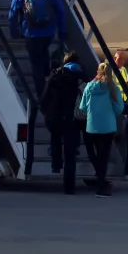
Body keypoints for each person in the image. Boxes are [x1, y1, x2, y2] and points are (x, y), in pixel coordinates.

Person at [9, 0, 68, 98]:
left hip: (31, 33)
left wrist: (14, 31)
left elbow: (12, 14)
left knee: (36, 64)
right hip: (48, 32)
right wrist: (62, 31)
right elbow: (61, 11)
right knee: (44, 52)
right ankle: (48, 79)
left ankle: (42, 95)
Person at [40, 53, 86, 194]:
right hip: (72, 119)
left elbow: (44, 98)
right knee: (70, 154)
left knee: (55, 138)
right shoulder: (81, 77)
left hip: (54, 117)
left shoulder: (55, 75)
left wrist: (46, 111)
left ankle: (56, 164)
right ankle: (69, 187)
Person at [79, 62, 123, 197]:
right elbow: (119, 109)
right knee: (104, 157)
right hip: (107, 127)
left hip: (92, 126)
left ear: (98, 71)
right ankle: (101, 186)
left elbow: (83, 107)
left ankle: (100, 179)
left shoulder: (89, 87)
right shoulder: (113, 88)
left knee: (95, 155)